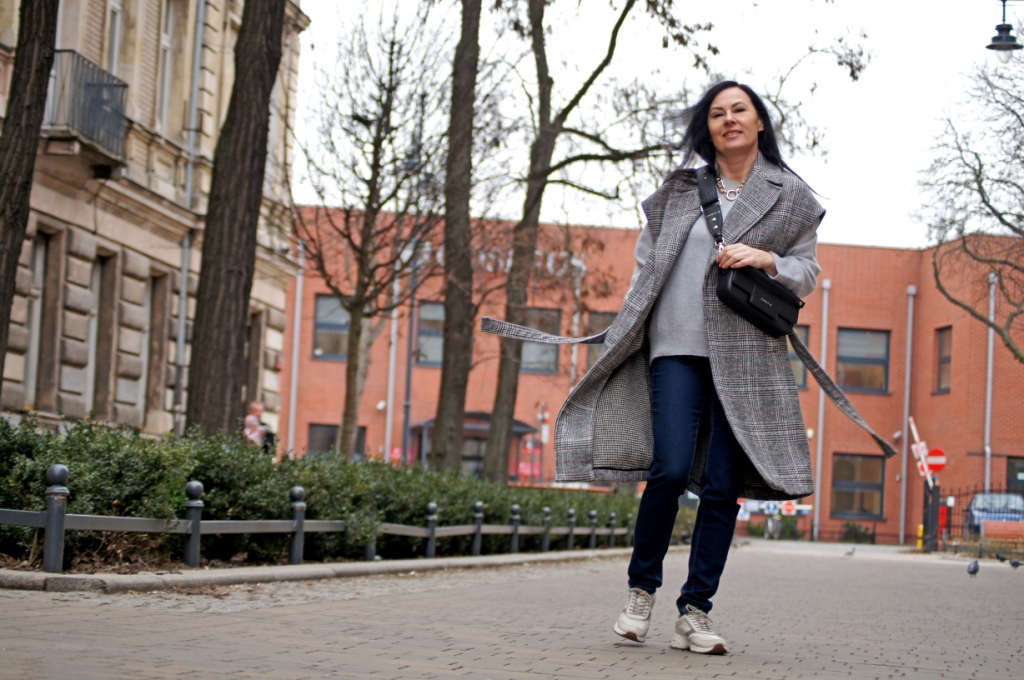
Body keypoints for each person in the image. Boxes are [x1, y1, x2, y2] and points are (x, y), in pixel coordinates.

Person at [481, 80, 895, 655]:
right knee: (670, 469)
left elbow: (806, 273)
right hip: (675, 348)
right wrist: (628, 326)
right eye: (717, 113)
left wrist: (767, 258)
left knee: (723, 487)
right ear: (708, 128)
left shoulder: (792, 197)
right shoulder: (680, 190)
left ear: (759, 123)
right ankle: (640, 593)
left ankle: (694, 612)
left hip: (746, 356)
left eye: (739, 110)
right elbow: (646, 266)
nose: (729, 119)